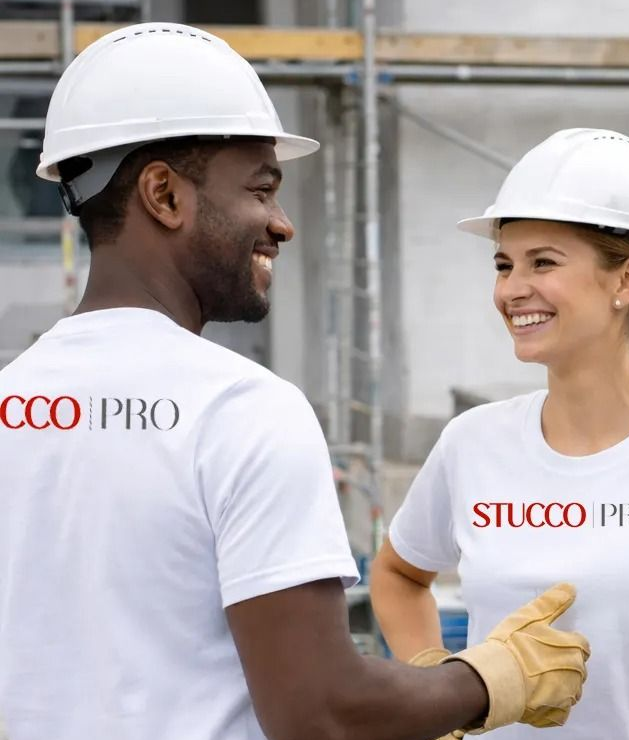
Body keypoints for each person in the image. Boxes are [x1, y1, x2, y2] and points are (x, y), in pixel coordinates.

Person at [0, 23, 590, 740]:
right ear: (164, 194)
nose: (282, 224)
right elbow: (320, 711)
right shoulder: (241, 410)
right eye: (262, 188)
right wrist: (494, 677)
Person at [370, 128, 629, 740]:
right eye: (504, 264)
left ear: (627, 281)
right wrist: (437, 689)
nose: (511, 289)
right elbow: (395, 576)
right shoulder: (473, 443)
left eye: (542, 262)